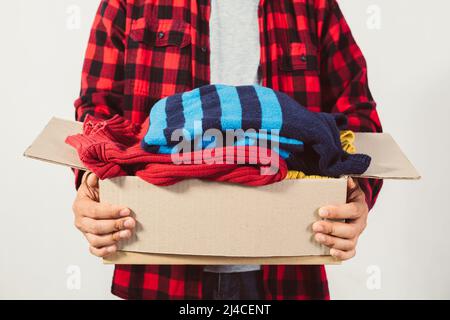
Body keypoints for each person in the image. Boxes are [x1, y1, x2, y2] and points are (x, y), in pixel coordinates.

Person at [71, 0, 383, 300]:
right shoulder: (129, 2)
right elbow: (95, 115)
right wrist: (90, 185)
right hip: (157, 263)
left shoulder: (313, 5)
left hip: (286, 265)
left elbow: (358, 116)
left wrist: (357, 194)